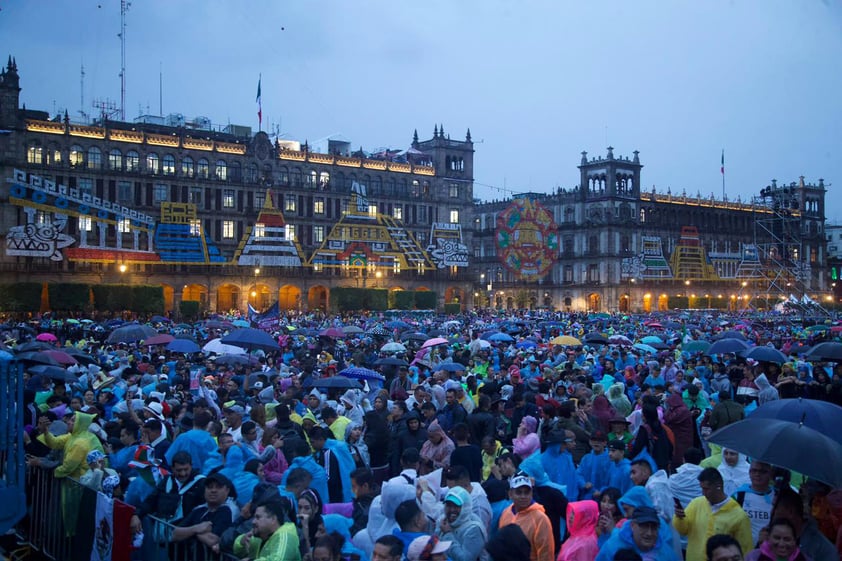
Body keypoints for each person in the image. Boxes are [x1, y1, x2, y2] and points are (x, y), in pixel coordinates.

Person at [672, 468, 753, 561]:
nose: (703, 492)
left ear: (718, 486)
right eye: (702, 488)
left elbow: (745, 550)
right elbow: (683, 530)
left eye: (706, 489)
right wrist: (680, 518)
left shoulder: (739, 515)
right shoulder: (696, 503)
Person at [171, 471, 237, 557]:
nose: (213, 490)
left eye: (218, 487)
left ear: (227, 490)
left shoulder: (228, 510)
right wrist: (196, 528)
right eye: (209, 487)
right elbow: (175, 534)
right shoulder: (199, 509)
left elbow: (213, 540)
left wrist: (190, 532)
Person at [498, 473, 554, 561]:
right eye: (519, 492)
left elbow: (546, 553)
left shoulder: (540, 519)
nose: (523, 496)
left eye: (526, 492)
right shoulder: (506, 513)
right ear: (510, 494)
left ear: (531, 494)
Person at [596, 505, 680, 561]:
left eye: (654, 527)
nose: (649, 533)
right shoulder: (613, 547)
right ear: (632, 525)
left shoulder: (665, 552)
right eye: (644, 526)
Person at [233, 498, 301, 561]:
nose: (253, 521)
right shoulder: (261, 534)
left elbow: (277, 560)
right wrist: (241, 541)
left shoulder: (286, 536)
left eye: (258, 517)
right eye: (254, 517)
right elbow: (237, 552)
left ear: (273, 519)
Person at [436, 486, 488, 561]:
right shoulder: (442, 522)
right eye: (449, 505)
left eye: (456, 506)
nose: (452, 510)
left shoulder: (473, 529)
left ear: (465, 507)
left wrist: (447, 534)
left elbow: (465, 559)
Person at [733, 461, 776, 545]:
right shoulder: (738, 496)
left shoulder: (777, 497)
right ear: (749, 472)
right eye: (754, 470)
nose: (757, 474)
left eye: (762, 471)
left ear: (770, 474)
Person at [745, 518, 812, 561]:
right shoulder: (753, 557)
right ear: (768, 538)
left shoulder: (805, 559)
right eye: (777, 538)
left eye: (787, 539)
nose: (781, 543)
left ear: (794, 541)